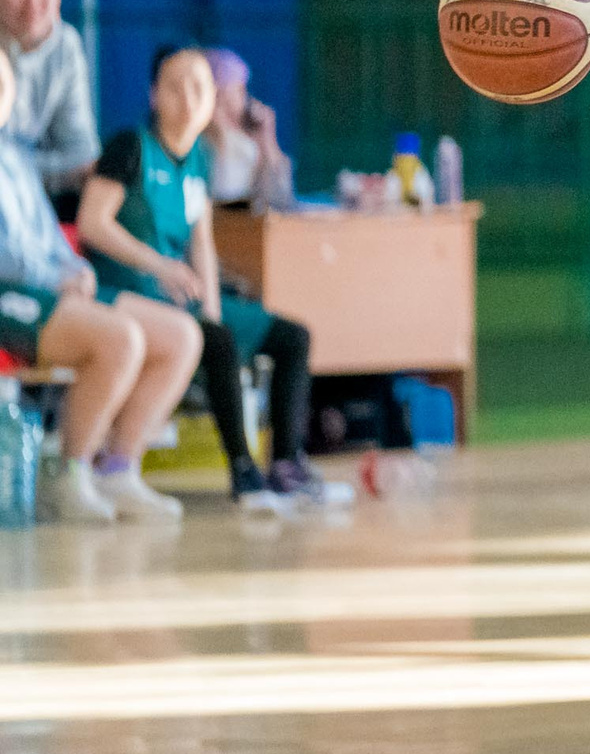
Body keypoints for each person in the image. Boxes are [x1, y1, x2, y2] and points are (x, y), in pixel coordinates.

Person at [77, 47, 339, 515]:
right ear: (153, 95)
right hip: (127, 295)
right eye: (175, 86)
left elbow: (202, 243)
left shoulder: (198, 157)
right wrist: (158, 265)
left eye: (199, 86)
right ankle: (243, 471)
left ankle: (286, 465)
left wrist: (213, 310)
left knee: (291, 337)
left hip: (180, 298)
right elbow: (92, 223)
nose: (188, 97)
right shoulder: (130, 147)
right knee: (215, 341)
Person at [0, 50, 198, 523]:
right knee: (119, 338)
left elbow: (46, 234)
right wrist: (56, 276)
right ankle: (69, 474)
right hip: (13, 295)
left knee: (180, 337)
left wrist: (75, 268)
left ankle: (118, 468)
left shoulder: (14, 154)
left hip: (50, 286)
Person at [0, 0, 101, 214]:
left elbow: (82, 154)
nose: (33, 4)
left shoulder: (66, 45)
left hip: (34, 198)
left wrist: (14, 168)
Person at [203, 49, 295, 208]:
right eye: (238, 89)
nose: (245, 96)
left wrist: (267, 139)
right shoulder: (205, 132)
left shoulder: (251, 134)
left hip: (248, 218)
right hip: (221, 216)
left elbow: (281, 197)